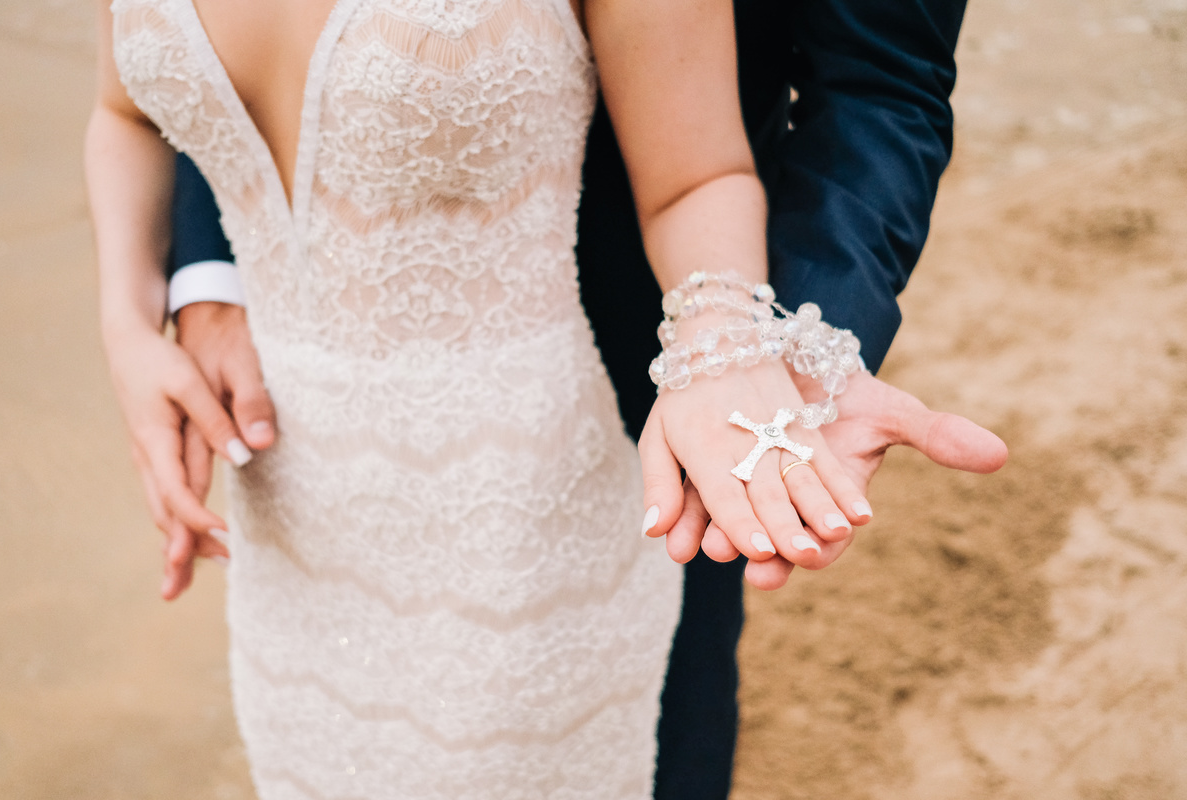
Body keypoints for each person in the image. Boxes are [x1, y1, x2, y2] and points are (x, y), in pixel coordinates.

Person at [93, 0, 963, 795]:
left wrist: (740, 344)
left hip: (541, 488)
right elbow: (130, 106)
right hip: (295, 503)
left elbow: (853, 94)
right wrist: (140, 324)